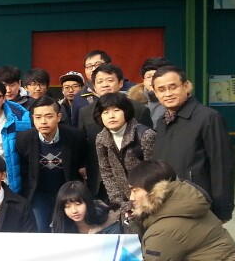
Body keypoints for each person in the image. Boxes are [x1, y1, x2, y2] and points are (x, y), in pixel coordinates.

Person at [151, 65, 235, 221]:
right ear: (155, 93)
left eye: (173, 87)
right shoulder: (162, 122)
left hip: (198, 204)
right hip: (168, 204)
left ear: (186, 86)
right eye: (161, 90)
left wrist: (223, 210)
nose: (168, 94)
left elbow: (222, 166)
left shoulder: (209, 118)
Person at [78, 63, 153, 197]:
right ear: (94, 86)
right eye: (100, 82)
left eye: (110, 80)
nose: (105, 85)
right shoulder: (85, 112)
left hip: (135, 180)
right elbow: (82, 143)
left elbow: (148, 149)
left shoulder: (139, 109)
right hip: (98, 179)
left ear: (120, 83)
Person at [16, 97, 87, 231]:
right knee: (39, 229)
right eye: (38, 117)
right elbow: (24, 169)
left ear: (58, 117)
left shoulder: (75, 137)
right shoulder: (24, 138)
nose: (43, 121)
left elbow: (81, 162)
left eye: (49, 116)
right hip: (39, 193)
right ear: (33, 118)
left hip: (67, 192)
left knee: (69, 230)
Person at [93, 93, 156, 210]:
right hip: (123, 201)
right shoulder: (101, 138)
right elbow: (106, 171)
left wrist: (141, 200)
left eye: (116, 110)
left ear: (126, 112)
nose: (111, 116)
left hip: (148, 199)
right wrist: (119, 203)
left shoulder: (145, 135)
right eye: (105, 112)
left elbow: (154, 172)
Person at [50, 181, 121, 234]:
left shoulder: (109, 223)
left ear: (88, 202)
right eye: (67, 206)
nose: (74, 211)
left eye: (78, 204)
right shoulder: (59, 226)